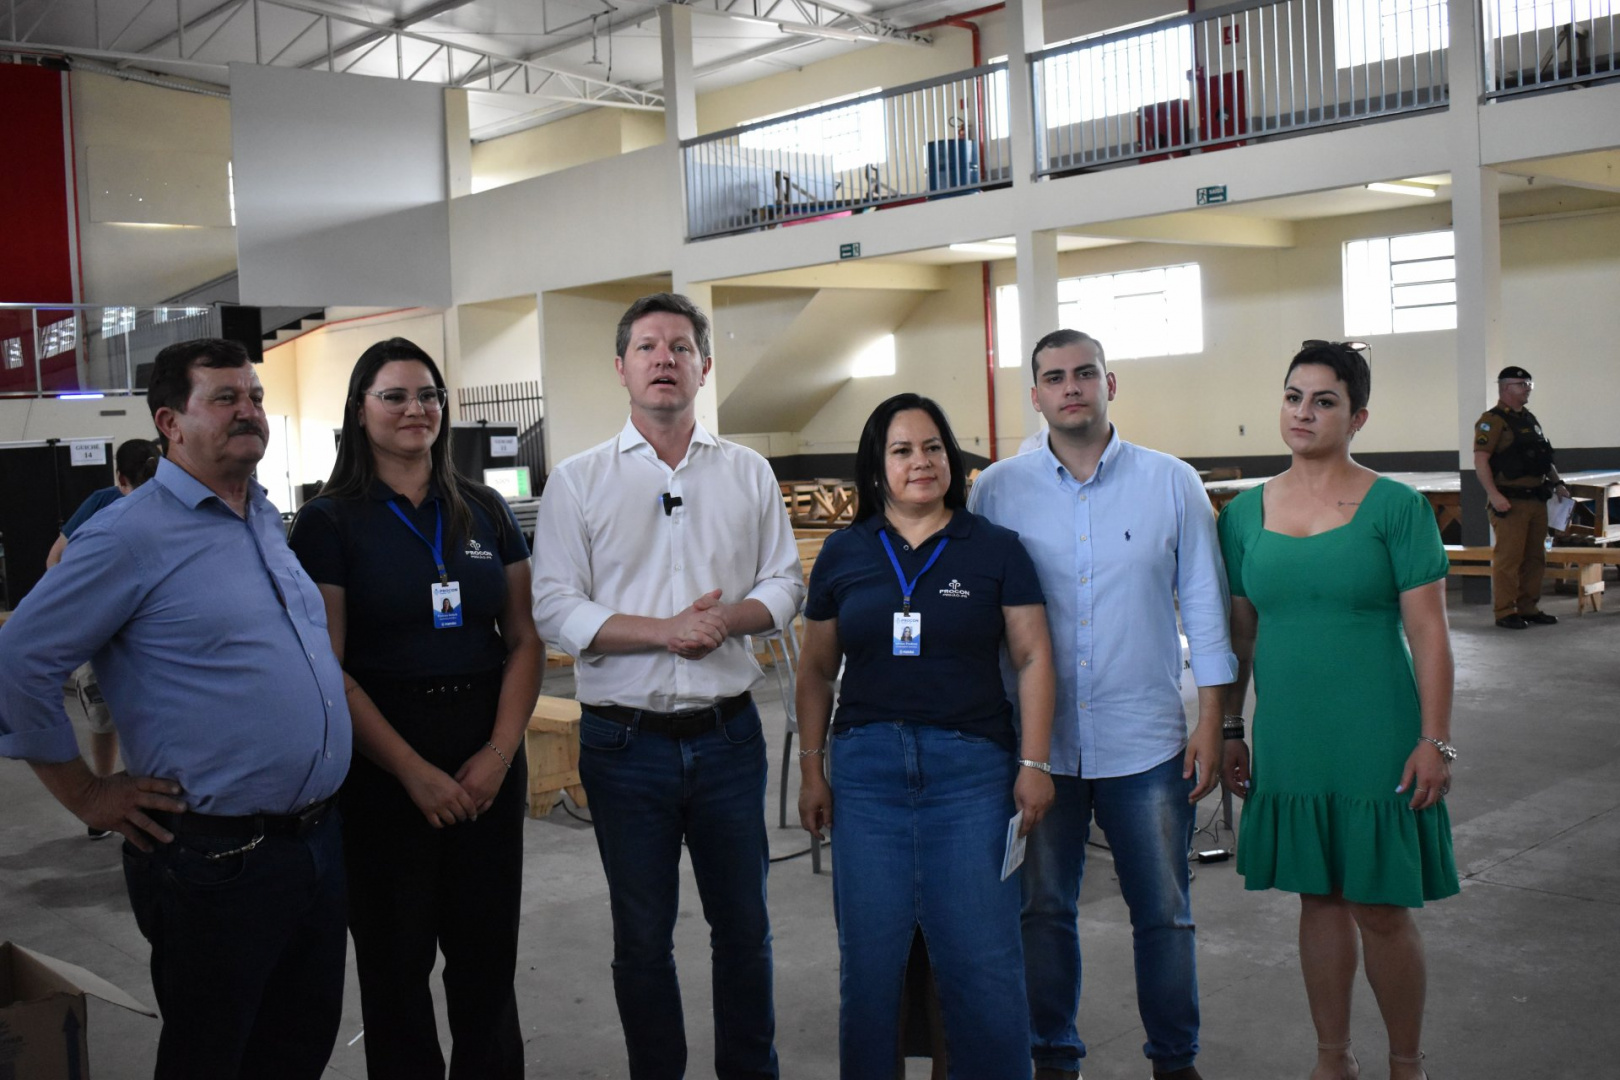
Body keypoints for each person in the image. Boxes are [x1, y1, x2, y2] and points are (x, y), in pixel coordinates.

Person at [0, 338, 351, 1080]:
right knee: (212, 1058)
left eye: (254, 396)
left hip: (314, 846)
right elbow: (17, 660)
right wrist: (86, 794)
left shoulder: (261, 517)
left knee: (297, 1049)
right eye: (224, 398)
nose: (248, 411)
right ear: (169, 422)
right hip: (216, 860)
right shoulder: (127, 535)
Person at [530, 292, 804, 1080]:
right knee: (643, 938)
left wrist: (725, 622)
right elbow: (555, 607)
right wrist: (665, 631)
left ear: (704, 367)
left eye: (680, 347)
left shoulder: (748, 472)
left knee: (743, 929)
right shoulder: (578, 482)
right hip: (625, 745)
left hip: (728, 737)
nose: (664, 359)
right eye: (647, 347)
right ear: (620, 367)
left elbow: (785, 582)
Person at [969, 329, 1236, 1080]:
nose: (1071, 388)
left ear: (1109, 383)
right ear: (1035, 395)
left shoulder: (1171, 483)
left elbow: (1205, 607)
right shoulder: (998, 491)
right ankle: (1053, 1055)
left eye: (1084, 373)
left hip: (1144, 741)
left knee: (1165, 913)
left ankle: (1175, 1060)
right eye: (1054, 377)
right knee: (1042, 911)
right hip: (1039, 747)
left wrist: (1212, 721)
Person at [288, 338, 542, 1080]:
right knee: (395, 970)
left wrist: (498, 755)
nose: (415, 409)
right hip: (383, 765)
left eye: (428, 394)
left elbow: (524, 639)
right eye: (394, 396)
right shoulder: (328, 522)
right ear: (359, 410)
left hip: (486, 750)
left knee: (487, 962)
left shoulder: (485, 509)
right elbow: (328, 667)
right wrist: (411, 772)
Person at [795, 392, 1056, 1079]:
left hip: (971, 776)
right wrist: (812, 770)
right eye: (903, 450)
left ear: (952, 460)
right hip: (867, 778)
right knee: (870, 967)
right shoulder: (844, 553)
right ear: (876, 466)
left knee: (984, 964)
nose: (921, 461)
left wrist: (1034, 762)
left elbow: (1033, 656)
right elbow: (816, 670)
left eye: (934, 447)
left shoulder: (996, 549)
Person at [1217, 340, 1457, 1080]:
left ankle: (1406, 1063)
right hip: (1291, 732)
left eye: (1324, 401)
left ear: (1357, 418)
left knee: (1380, 905)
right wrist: (1230, 727)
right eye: (1294, 397)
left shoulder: (1398, 508)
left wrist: (1436, 740)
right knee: (1317, 898)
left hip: (1376, 731)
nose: (1304, 412)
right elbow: (1240, 635)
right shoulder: (1243, 514)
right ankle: (1333, 1060)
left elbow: (1429, 633)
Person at [44, 436, 162, 833]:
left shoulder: (161, 505)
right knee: (106, 714)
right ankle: (110, 791)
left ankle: (137, 792)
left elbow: (54, 559)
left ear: (120, 476)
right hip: (109, 630)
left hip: (134, 630)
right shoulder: (106, 504)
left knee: (123, 717)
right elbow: (56, 560)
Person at [1472, 365, 1569, 629]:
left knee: (1536, 557)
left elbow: (1543, 457)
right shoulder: (1492, 421)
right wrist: (1494, 495)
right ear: (1505, 387)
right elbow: (1481, 460)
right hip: (1510, 501)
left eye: (1529, 384)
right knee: (1509, 559)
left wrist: (1558, 483)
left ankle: (1529, 607)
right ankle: (1505, 611)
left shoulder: (1529, 419)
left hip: (1536, 499)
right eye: (1522, 384)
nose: (1527, 389)